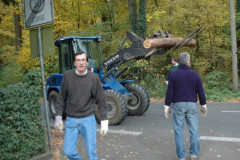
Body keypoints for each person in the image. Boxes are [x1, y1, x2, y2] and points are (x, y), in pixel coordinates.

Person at [54, 51, 108, 160]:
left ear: (87, 62)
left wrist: (104, 121)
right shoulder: (68, 76)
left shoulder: (93, 78)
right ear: (74, 63)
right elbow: (61, 98)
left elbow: (101, 100)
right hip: (71, 120)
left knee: (91, 153)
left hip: (88, 119)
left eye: (83, 60)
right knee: (68, 151)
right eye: (78, 60)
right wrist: (58, 117)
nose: (81, 62)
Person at [164, 52, 207, 160]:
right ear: (188, 61)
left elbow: (170, 92)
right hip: (191, 105)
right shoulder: (195, 74)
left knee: (178, 131)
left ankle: (181, 156)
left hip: (178, 105)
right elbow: (201, 92)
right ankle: (194, 154)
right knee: (194, 130)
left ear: (178, 62)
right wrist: (203, 104)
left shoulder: (173, 75)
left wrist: (167, 105)